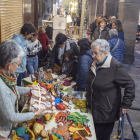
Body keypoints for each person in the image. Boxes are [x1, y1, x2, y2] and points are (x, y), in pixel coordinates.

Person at [86, 39, 135, 140]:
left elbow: (130, 84)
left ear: (105, 53)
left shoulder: (115, 66)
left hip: (106, 113)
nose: (92, 56)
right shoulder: (94, 63)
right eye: (92, 52)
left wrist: (126, 103)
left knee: (101, 137)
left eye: (95, 53)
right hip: (93, 108)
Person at [0, 40, 45, 140]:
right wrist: (35, 114)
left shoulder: (5, 76)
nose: (19, 67)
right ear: (9, 65)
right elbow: (11, 117)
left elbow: (12, 90)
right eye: (18, 64)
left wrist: (30, 90)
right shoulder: (1, 88)